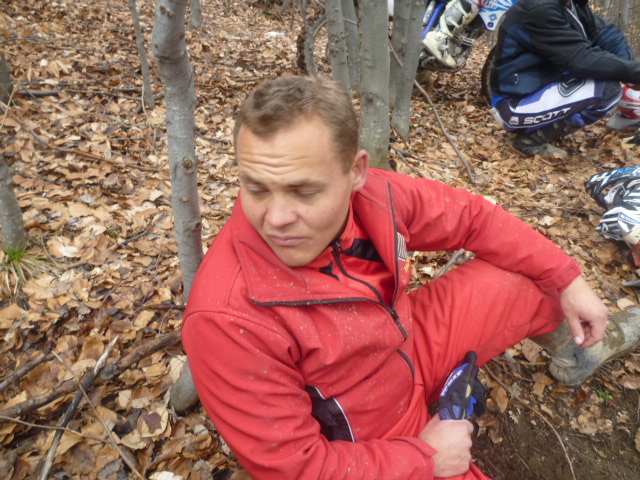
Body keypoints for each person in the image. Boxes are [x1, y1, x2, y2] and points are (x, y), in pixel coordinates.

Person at [182, 75, 638, 479]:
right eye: (256, 188)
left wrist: (568, 278)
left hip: (407, 343)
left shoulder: (376, 196)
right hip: (365, 430)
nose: (276, 218)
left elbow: (472, 217)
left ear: (356, 172)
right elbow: (296, 468)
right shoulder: (228, 318)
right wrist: (424, 457)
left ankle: (576, 352)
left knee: (532, 274)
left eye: (304, 191)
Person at [486, 0, 640, 159]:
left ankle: (548, 129)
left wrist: (629, 70)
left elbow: (607, 34)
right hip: (513, 106)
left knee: (608, 77)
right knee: (608, 90)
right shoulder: (539, 8)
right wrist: (632, 73)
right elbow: (581, 59)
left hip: (536, 89)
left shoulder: (572, 6)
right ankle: (528, 141)